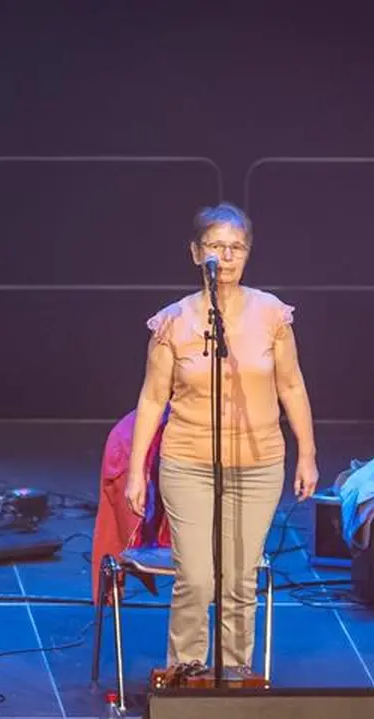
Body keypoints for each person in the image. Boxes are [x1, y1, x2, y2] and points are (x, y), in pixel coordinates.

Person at [125, 203, 319, 674]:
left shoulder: (272, 313)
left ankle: (235, 677)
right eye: (215, 246)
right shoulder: (172, 321)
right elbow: (152, 398)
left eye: (236, 248)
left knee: (239, 578)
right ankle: (185, 673)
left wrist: (307, 454)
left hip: (258, 462)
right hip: (188, 460)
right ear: (196, 253)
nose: (226, 257)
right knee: (194, 577)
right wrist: (136, 471)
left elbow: (291, 385)